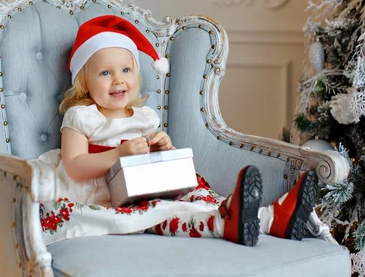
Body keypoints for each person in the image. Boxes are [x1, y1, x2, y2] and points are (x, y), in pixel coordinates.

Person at [38, 15, 318, 246]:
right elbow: (74, 166)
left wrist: (162, 148)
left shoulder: (143, 118)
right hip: (107, 198)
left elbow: (149, 159)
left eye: (126, 70)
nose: (118, 80)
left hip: (147, 186)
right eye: (105, 73)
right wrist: (118, 153)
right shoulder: (81, 116)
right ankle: (223, 224)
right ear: (84, 82)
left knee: (199, 195)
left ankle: (273, 217)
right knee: (163, 215)